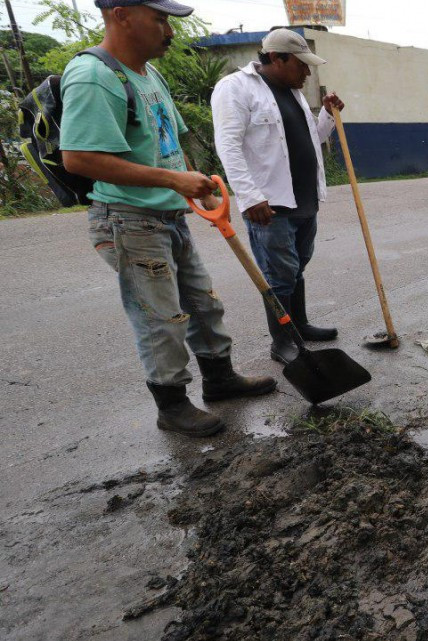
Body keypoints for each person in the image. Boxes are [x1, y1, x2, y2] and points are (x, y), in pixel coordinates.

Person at [61, 0, 276, 439]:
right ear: (120, 14)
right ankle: (172, 405)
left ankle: (220, 379)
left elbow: (170, 141)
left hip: (169, 215)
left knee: (203, 303)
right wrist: (173, 180)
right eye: (158, 18)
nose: (168, 30)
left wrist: (197, 181)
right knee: (161, 317)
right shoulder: (93, 76)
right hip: (128, 219)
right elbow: (79, 157)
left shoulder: (148, 73)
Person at [212, 29, 343, 365]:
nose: (307, 72)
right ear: (276, 58)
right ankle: (282, 341)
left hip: (304, 199)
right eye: (301, 65)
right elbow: (228, 146)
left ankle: (299, 325)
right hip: (268, 204)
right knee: (278, 273)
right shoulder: (236, 88)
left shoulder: (292, 93)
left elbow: (314, 138)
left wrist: (328, 115)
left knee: (296, 267)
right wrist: (249, 195)